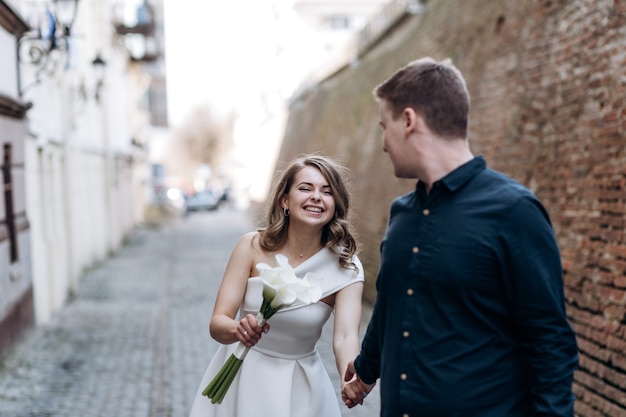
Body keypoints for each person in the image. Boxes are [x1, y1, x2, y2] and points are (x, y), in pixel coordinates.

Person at [341, 57, 579, 416]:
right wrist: (365, 370)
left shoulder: (514, 211)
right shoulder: (401, 213)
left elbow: (551, 344)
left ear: (408, 121)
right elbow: (392, 300)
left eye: (383, 126)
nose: (384, 144)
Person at [188, 155, 366, 417]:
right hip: (241, 378)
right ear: (285, 200)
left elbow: (345, 336)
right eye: (306, 188)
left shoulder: (347, 266)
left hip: (301, 389)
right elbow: (218, 322)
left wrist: (349, 375)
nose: (317, 196)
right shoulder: (250, 246)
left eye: (327, 192)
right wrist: (239, 329)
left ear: (335, 205)